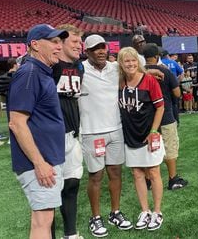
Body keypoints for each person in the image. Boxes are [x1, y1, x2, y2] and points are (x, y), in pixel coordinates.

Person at [8, 24, 69, 239]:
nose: (59, 47)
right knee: (43, 222)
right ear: (34, 44)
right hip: (40, 161)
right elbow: (16, 123)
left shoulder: (41, 72)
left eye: (60, 42)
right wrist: (39, 163)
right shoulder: (30, 73)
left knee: (44, 219)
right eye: (53, 41)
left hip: (47, 158)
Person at [79, 34, 132, 238]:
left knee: (116, 173)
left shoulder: (114, 68)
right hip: (91, 132)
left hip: (115, 129)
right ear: (88, 52)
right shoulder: (80, 70)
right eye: (96, 48)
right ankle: (95, 217)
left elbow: (136, 68)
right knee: (96, 176)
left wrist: (154, 70)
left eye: (103, 47)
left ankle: (115, 212)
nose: (101, 51)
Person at [117, 47, 165, 231]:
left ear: (139, 62)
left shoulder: (149, 80)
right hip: (130, 135)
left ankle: (157, 211)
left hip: (148, 133)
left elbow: (160, 107)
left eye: (133, 60)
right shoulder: (119, 82)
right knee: (137, 173)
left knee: (153, 173)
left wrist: (154, 130)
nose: (130, 64)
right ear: (121, 64)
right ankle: (145, 211)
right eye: (126, 61)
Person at [52, 24, 85, 239]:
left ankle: (70, 233)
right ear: (60, 42)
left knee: (72, 183)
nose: (79, 45)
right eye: (74, 41)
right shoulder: (49, 66)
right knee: (49, 191)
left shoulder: (79, 67)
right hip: (51, 136)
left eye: (80, 42)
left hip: (73, 132)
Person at [143, 43, 188, 190]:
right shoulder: (165, 70)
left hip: (145, 117)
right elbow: (177, 93)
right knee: (170, 147)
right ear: (157, 56)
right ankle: (172, 179)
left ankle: (148, 180)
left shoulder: (139, 72)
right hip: (165, 114)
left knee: (148, 148)